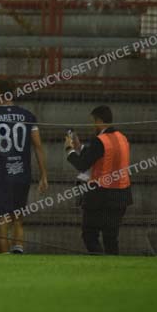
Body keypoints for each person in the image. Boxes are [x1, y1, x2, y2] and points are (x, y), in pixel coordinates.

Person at [0, 79, 48, 254]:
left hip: (0, 174)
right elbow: (38, 146)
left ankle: (4, 258)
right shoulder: (27, 116)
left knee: (1, 219)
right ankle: (18, 251)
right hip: (22, 174)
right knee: (18, 218)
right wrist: (44, 175)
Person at [65, 105, 133, 255]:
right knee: (111, 238)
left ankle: (99, 261)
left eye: (94, 121)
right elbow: (102, 155)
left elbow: (82, 164)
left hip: (100, 195)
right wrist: (80, 147)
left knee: (89, 234)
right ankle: (112, 265)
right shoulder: (122, 138)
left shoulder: (99, 141)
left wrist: (69, 150)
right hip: (121, 195)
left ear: (99, 121)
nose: (93, 125)